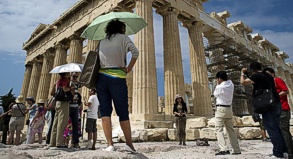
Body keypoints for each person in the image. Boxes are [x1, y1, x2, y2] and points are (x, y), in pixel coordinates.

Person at [96, 19, 138, 152]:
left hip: (101, 78)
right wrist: (129, 68)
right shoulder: (123, 38)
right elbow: (135, 53)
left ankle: (109, 145)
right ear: (121, 28)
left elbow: (96, 58)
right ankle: (129, 144)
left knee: (105, 111)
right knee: (122, 112)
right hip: (117, 77)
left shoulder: (101, 41)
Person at [240, 62, 288, 158]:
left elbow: (243, 82)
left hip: (267, 106)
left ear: (252, 70)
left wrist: (242, 73)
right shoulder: (268, 76)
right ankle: (284, 151)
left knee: (272, 130)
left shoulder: (257, 76)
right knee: (277, 129)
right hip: (276, 104)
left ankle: (278, 153)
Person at [263, 67, 293, 158]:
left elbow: (286, 91)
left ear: (272, 74)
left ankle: (290, 153)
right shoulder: (270, 83)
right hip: (276, 110)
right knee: (280, 132)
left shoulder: (277, 80)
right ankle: (285, 151)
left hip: (283, 109)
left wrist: (274, 97)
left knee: (284, 131)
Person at [213, 71, 241, 155]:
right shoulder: (231, 84)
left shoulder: (219, 87)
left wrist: (217, 84)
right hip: (229, 109)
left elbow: (215, 94)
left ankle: (223, 149)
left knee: (219, 129)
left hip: (221, 109)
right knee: (230, 130)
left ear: (219, 79)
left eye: (217, 79)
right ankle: (236, 149)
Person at [49, 73, 72, 148]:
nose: (70, 73)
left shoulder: (57, 81)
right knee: (62, 122)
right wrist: (70, 88)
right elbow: (65, 89)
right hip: (63, 103)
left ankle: (52, 142)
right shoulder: (64, 80)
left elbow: (51, 93)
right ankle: (59, 142)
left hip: (57, 103)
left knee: (55, 123)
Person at [68, 72, 82, 148]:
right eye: (74, 76)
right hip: (68, 106)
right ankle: (65, 141)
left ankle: (75, 142)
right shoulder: (68, 83)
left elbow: (83, 84)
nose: (75, 78)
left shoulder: (76, 84)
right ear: (70, 76)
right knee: (67, 125)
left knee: (76, 125)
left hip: (75, 106)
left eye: (76, 76)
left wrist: (78, 81)